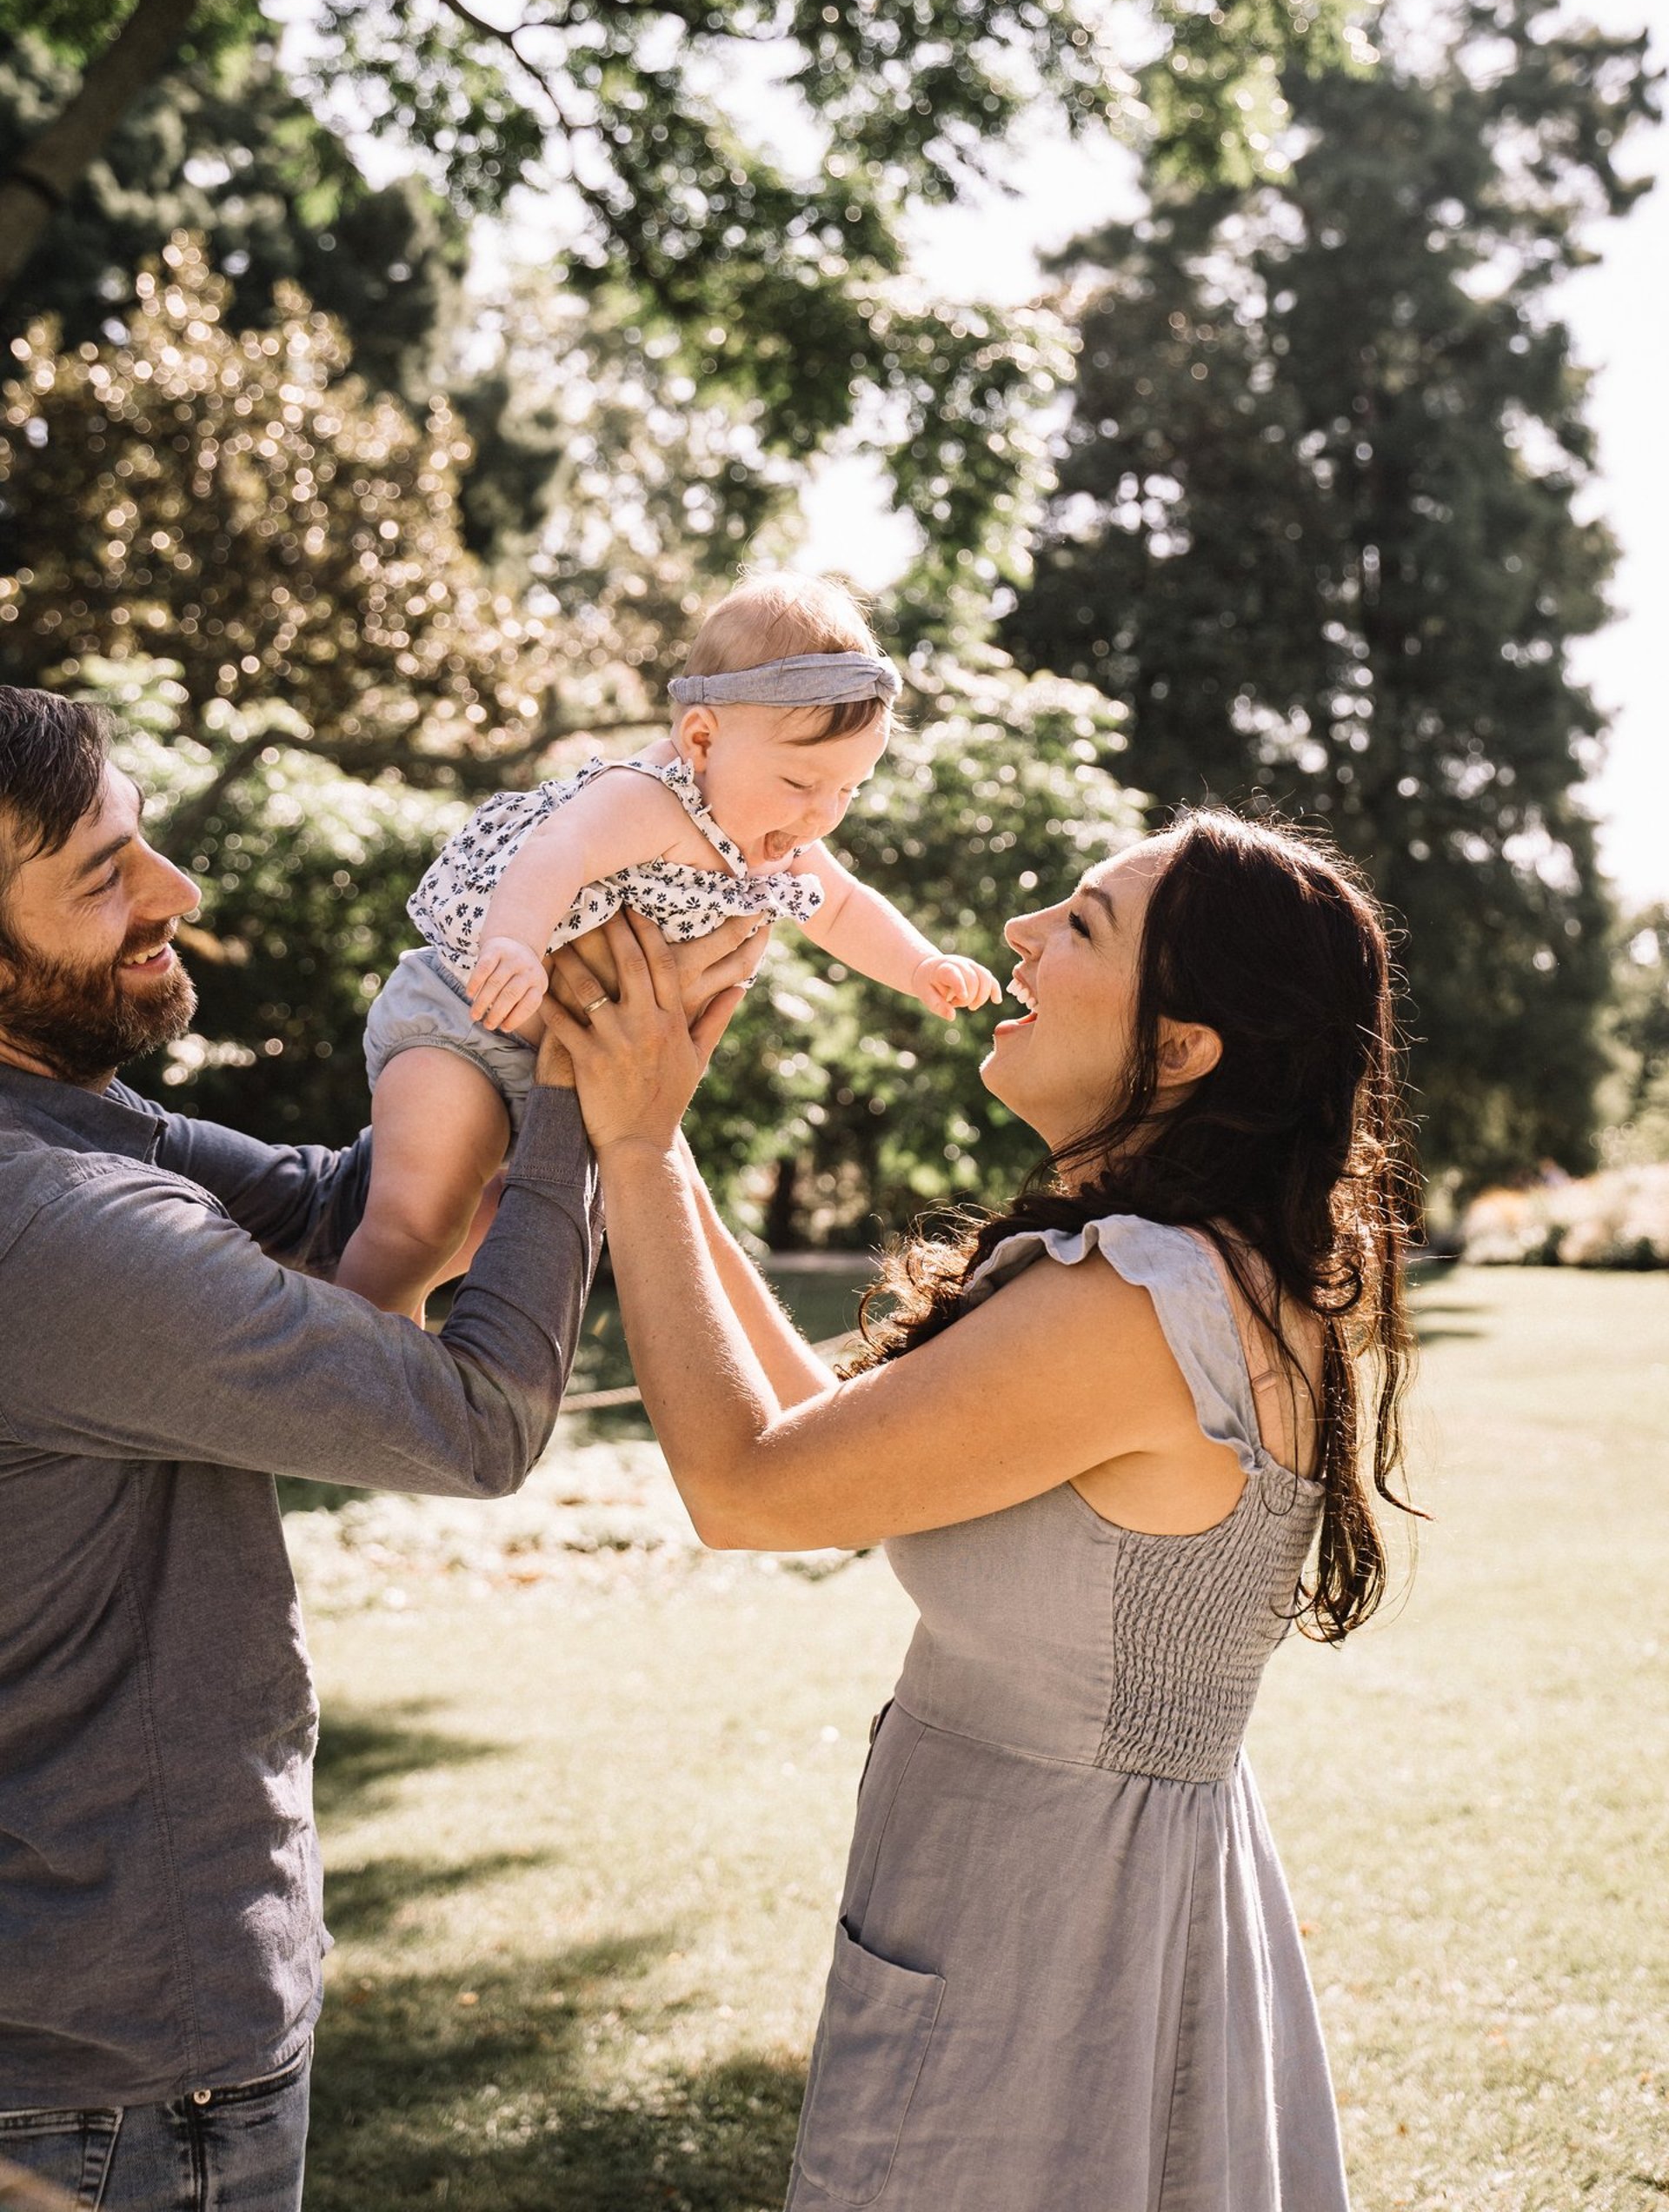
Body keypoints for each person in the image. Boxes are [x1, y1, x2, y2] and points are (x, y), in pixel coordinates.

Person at [542, 809, 1419, 2212]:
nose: (1020, 935)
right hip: (1060, 1897)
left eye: (1081, 924)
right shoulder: (1184, 1274)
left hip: (1057, 1946)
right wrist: (658, 1141)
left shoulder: (1134, 1304)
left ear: (1184, 1048)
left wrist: (639, 1155)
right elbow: (829, 1454)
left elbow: (747, 1487)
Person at [0, 685, 761, 2212]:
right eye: (103, 875)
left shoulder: (87, 1141)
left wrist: (522, 988)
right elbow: (477, 1422)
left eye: (143, 844)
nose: (174, 895)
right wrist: (591, 1109)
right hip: (112, 2073)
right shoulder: (57, 1227)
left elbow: (353, 1205)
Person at [335, 574, 1001, 1316]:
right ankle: (336, 1375)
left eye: (849, 790)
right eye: (799, 780)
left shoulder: (772, 837)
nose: (821, 814)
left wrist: (919, 965)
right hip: (464, 1019)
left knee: (480, 1233)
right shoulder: (648, 797)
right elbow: (557, 849)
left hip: (565, 1081)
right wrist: (517, 943)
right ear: (703, 739)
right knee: (414, 1225)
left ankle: (378, 1330)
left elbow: (843, 907)